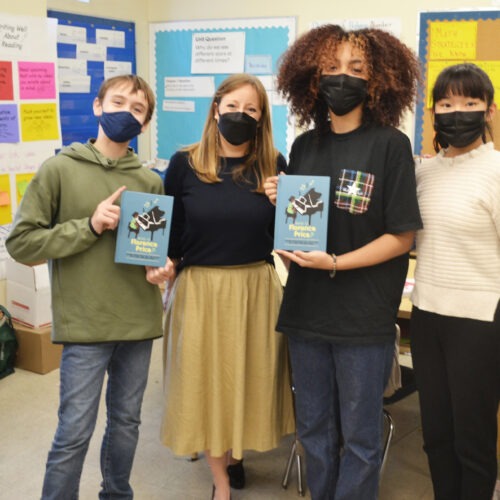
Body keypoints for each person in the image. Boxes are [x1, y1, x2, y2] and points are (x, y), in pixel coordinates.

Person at [263, 25, 422, 499]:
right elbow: (301, 226)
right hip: (307, 312)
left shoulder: (390, 145)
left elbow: (402, 236)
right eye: (331, 68)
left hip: (363, 315)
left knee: (360, 437)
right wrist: (280, 199)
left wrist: (334, 262)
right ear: (311, 78)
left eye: (356, 69)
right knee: (313, 429)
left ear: (376, 82)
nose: (341, 78)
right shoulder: (305, 147)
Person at [6, 74, 169, 500]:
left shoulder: (151, 181)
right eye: (117, 103)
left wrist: (160, 268)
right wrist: (89, 226)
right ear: (97, 106)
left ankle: (117, 494)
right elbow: (22, 243)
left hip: (138, 322)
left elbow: (150, 251)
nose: (125, 114)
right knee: (74, 430)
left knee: (126, 424)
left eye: (136, 109)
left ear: (146, 123)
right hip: (85, 325)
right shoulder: (59, 169)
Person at [146, 73, 295, 500]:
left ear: (262, 117)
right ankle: (222, 482)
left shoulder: (275, 166)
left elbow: (292, 240)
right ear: (215, 109)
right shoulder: (185, 163)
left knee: (248, 378)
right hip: (200, 291)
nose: (240, 116)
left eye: (251, 109)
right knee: (206, 381)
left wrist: (282, 203)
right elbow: (167, 235)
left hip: (255, 290)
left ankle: (235, 453)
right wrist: (161, 266)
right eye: (232, 107)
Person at [410, 63, 500, 500]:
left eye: (469, 102)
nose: (456, 111)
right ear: (433, 113)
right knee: (436, 432)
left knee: (473, 438)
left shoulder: (497, 170)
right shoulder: (424, 172)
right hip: (426, 314)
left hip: (479, 321)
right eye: (446, 103)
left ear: (489, 111)